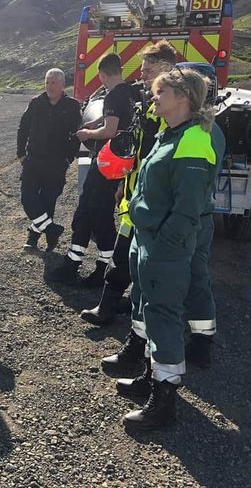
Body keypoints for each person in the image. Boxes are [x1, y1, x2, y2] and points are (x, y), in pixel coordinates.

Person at [120, 68, 223, 430]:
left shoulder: (194, 138)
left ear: (183, 97)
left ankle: (164, 401)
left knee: (163, 316)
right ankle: (152, 378)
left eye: (161, 91)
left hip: (165, 245)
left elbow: (187, 207)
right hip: (149, 238)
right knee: (152, 311)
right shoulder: (170, 133)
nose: (155, 97)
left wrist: (164, 246)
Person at [81, 41, 176, 326]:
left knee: (142, 260)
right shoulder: (149, 104)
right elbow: (138, 148)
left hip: (155, 199)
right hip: (135, 194)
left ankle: (132, 318)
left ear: (166, 70)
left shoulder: (174, 112)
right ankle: (110, 306)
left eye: (149, 71)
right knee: (125, 253)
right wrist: (125, 182)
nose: (143, 75)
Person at [50, 54, 135, 286]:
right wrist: (93, 124)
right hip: (121, 164)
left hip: (108, 162)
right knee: (91, 210)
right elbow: (115, 120)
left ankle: (97, 268)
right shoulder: (129, 92)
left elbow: (110, 130)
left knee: (95, 212)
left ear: (102, 75)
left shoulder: (113, 95)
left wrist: (87, 134)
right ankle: (77, 261)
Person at [16, 68, 82, 251]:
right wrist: (21, 153)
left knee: (47, 201)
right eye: (47, 82)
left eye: (53, 82)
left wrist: (69, 157)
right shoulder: (36, 102)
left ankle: (36, 238)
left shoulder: (72, 106)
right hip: (33, 160)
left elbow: (77, 134)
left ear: (62, 84)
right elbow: (23, 128)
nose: (49, 86)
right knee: (28, 199)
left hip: (56, 163)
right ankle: (52, 230)